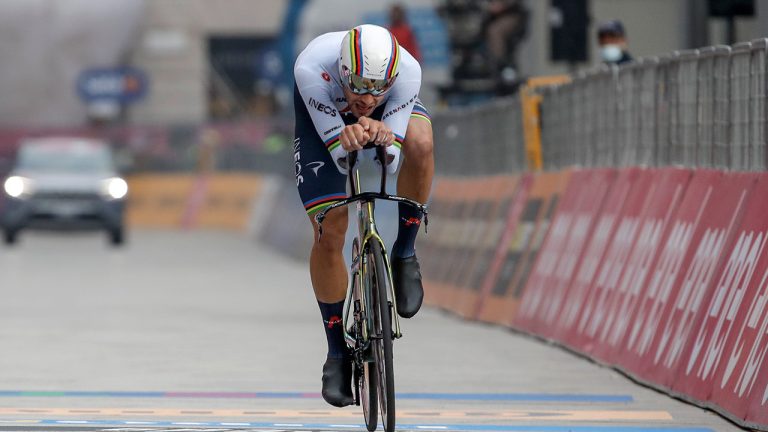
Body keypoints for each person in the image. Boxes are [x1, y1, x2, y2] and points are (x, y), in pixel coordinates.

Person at [293, 24, 433, 407]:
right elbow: (342, 156)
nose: (367, 98)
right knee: (330, 230)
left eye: (378, 88)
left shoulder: (409, 72)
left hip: (390, 116)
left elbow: (393, 158)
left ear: (392, 78)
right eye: (357, 84)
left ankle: (404, 252)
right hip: (323, 113)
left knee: (421, 142)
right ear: (342, 70)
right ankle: (337, 351)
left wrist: (386, 136)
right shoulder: (312, 69)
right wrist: (350, 134)